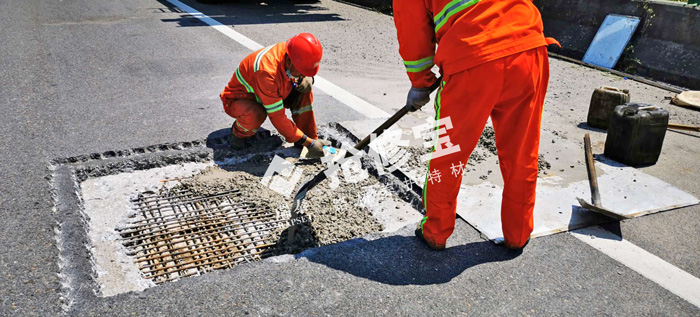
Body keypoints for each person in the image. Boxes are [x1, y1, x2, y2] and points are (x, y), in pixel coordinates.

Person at [393, 0, 559, 250]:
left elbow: (413, 31)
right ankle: (518, 233)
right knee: (522, 151)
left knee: (449, 154)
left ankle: (435, 231)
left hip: (473, 57)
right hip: (528, 48)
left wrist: (420, 82)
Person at [220, 33, 330, 156]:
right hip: (240, 100)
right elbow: (277, 117)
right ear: (289, 62)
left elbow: (292, 75)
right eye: (302, 72)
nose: (303, 75)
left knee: (303, 91)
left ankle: (307, 139)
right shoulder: (266, 72)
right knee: (255, 115)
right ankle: (238, 133)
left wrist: (304, 78)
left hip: (270, 91)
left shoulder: (292, 51)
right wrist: (309, 143)